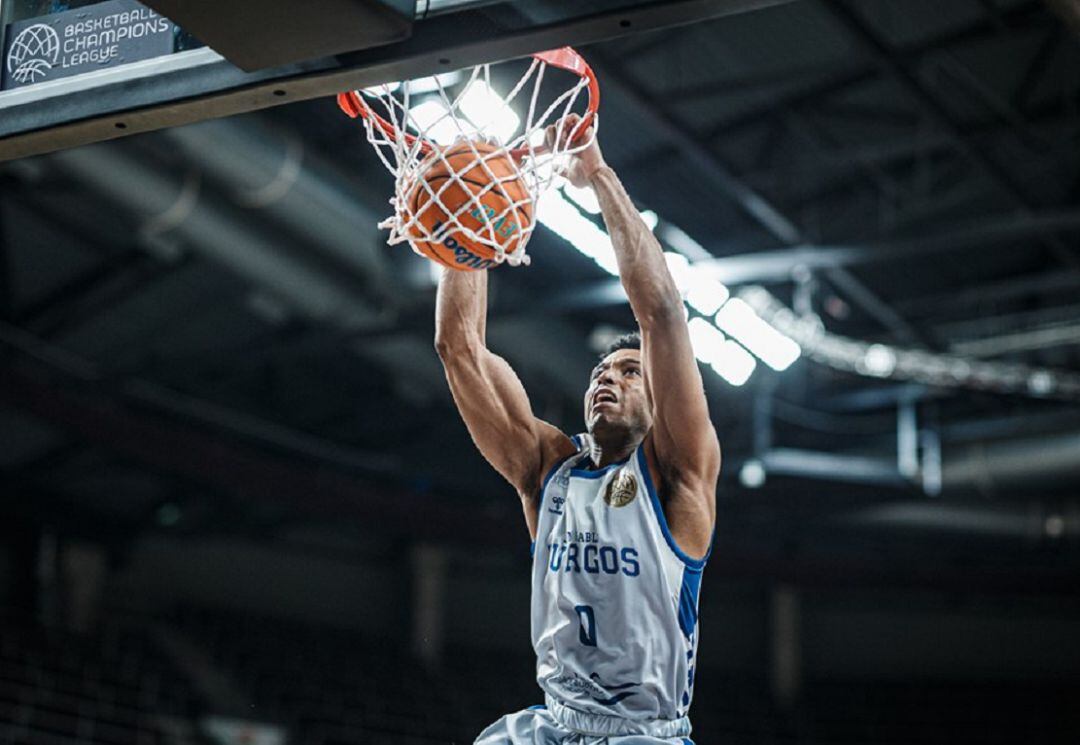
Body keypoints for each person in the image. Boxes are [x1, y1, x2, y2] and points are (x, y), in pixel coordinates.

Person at [434, 114, 721, 744]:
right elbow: (459, 348)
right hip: (551, 725)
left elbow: (663, 314)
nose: (607, 378)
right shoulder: (549, 470)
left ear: (660, 400)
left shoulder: (677, 476)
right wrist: (466, 232)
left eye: (628, 371)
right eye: (601, 370)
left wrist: (597, 176)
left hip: (643, 732)